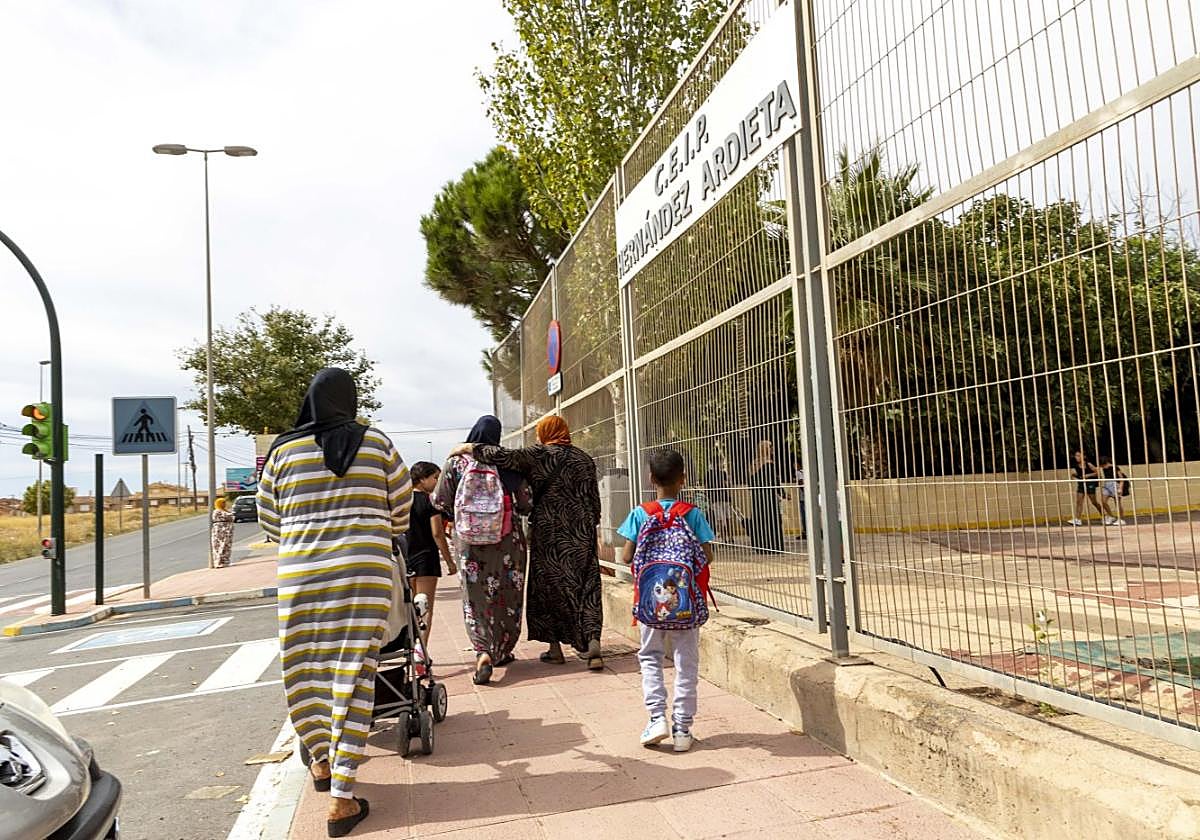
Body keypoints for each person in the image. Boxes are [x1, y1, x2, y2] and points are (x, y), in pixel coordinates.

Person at [256, 368, 411, 837]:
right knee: (355, 671)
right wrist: (366, 528)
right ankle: (342, 798)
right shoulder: (377, 444)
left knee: (303, 668)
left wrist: (306, 535)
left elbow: (268, 519)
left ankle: (322, 764)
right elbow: (401, 510)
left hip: (301, 574)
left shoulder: (282, 451)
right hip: (364, 571)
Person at [451, 414, 604, 669]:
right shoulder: (584, 458)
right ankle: (593, 642)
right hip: (582, 530)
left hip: (549, 531)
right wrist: (592, 526)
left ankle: (555, 649)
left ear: (545, 433)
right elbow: (594, 499)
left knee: (549, 588)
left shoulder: (539, 454)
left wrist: (469, 447)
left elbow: (502, 455)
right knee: (587, 586)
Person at [619, 449, 715, 752]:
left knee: (650, 656)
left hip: (650, 603)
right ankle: (683, 729)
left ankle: (656, 718)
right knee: (686, 661)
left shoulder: (640, 513)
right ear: (682, 479)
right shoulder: (692, 514)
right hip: (685, 603)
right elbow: (707, 556)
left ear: (651, 479)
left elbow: (626, 556)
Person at [434, 416, 531, 684]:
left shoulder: (456, 462)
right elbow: (526, 503)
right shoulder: (508, 462)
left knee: (474, 599)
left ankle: (483, 651)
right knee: (507, 595)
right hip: (508, 542)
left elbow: (440, 501)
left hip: (469, 544)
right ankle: (502, 648)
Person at [405, 462, 457, 652]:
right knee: (425, 608)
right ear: (422, 479)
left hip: (405, 558)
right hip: (426, 558)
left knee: (409, 608)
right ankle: (421, 651)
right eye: (435, 477)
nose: (437, 482)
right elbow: (437, 533)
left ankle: (410, 648)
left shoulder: (401, 501)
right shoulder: (430, 501)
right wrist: (450, 561)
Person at [747, 440, 787, 553]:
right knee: (771, 520)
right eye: (770, 447)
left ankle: (761, 546)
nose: (772, 449)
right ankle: (773, 546)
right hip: (769, 497)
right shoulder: (769, 463)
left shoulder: (753, 464)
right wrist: (783, 494)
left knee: (760, 520)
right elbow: (775, 482)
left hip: (757, 497)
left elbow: (750, 483)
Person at [1068, 450, 1104, 526]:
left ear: (1083, 456)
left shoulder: (1088, 464)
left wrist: (1088, 475)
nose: (1076, 457)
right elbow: (1079, 474)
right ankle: (1078, 519)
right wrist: (1074, 475)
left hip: (1090, 484)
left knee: (1094, 502)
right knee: (1079, 502)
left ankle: (1104, 516)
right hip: (1081, 484)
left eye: (1078, 455)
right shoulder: (1076, 465)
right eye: (1076, 456)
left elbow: (1098, 473)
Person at [1098, 454, 1129, 526]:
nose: (1102, 467)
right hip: (1107, 484)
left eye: (1103, 465)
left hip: (1115, 484)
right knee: (1103, 501)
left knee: (1117, 503)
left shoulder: (1115, 467)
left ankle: (1121, 519)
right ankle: (1111, 516)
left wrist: (1120, 488)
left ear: (1106, 463)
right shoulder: (1104, 468)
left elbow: (1121, 478)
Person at [211, 496, 235, 568]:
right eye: (223, 503)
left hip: (227, 531)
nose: (225, 504)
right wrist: (231, 515)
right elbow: (228, 516)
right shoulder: (217, 511)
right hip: (220, 531)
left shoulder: (225, 511)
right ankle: (219, 562)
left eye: (225, 502)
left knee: (227, 546)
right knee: (220, 546)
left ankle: (225, 561)